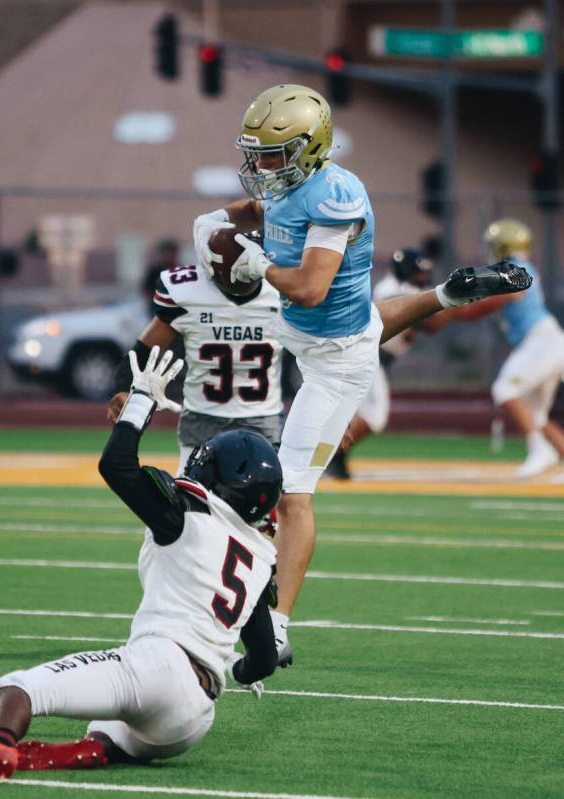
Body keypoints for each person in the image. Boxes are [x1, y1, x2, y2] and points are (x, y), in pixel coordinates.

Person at [192, 83, 533, 664]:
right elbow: (260, 209)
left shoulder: (334, 197)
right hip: (309, 330)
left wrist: (252, 259)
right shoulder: (291, 183)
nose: (260, 167)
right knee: (369, 323)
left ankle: (276, 624)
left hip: (332, 356)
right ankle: (449, 293)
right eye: (256, 153)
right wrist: (215, 219)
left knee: (293, 492)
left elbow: (309, 286)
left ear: (309, 148)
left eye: (272, 154)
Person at [0, 347, 282, 779]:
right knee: (109, 730)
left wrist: (141, 400)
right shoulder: (261, 557)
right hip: (194, 719)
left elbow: (116, 465)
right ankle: (94, 749)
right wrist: (237, 668)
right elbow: (261, 661)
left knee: (17, 687)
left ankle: (0, 747)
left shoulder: (188, 512)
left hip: (159, 668)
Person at [108, 231, 283, 474]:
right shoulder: (190, 292)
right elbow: (145, 349)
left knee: (269, 503)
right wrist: (123, 386)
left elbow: (314, 356)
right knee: (191, 506)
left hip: (262, 420)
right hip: (204, 419)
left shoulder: (281, 291)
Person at [329, 247, 453, 479]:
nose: (422, 277)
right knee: (375, 415)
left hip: (371, 356)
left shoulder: (402, 287)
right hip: (367, 355)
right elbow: (430, 326)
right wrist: (457, 303)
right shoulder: (391, 290)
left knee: (357, 412)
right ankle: (334, 454)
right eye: (418, 272)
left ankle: (334, 452)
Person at [457, 219, 564, 478]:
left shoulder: (515, 268)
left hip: (541, 340)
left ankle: (539, 451)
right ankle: (548, 450)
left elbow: (505, 297)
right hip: (544, 339)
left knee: (504, 388)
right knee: (535, 414)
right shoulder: (522, 265)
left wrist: (459, 306)